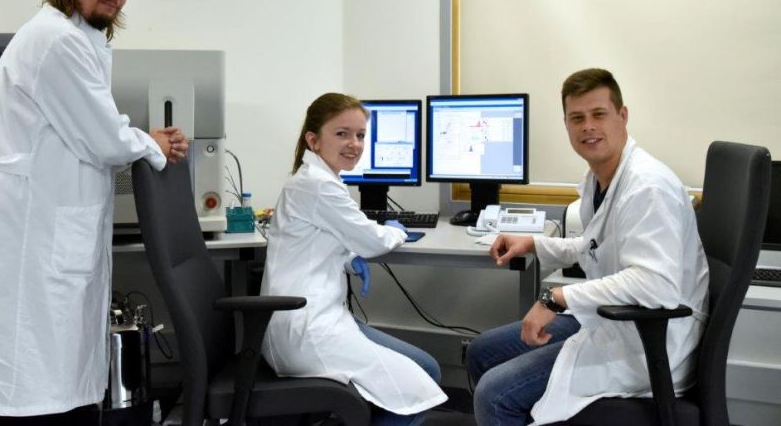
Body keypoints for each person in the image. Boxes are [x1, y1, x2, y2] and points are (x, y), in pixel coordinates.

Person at [0, 0, 188, 424]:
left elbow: (94, 127)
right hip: (27, 248)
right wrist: (150, 144)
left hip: (45, 242)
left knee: (52, 393)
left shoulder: (76, 40)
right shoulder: (55, 41)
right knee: (30, 400)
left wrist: (140, 139)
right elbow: (104, 139)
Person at [466, 68, 709, 425]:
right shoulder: (602, 178)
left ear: (622, 116)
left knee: (495, 394)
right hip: (615, 322)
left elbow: (654, 283)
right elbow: (597, 245)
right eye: (577, 118)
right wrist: (534, 242)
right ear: (566, 124)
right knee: (481, 352)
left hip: (651, 345)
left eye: (599, 114)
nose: (588, 127)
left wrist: (555, 298)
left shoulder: (648, 187)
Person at [261, 93, 447, 425]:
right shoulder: (318, 185)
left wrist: (347, 258)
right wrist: (396, 230)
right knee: (420, 388)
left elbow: (318, 245)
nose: (355, 144)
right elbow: (372, 240)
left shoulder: (316, 181)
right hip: (308, 331)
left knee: (426, 368)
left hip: (314, 318)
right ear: (313, 140)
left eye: (360, 135)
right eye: (342, 133)